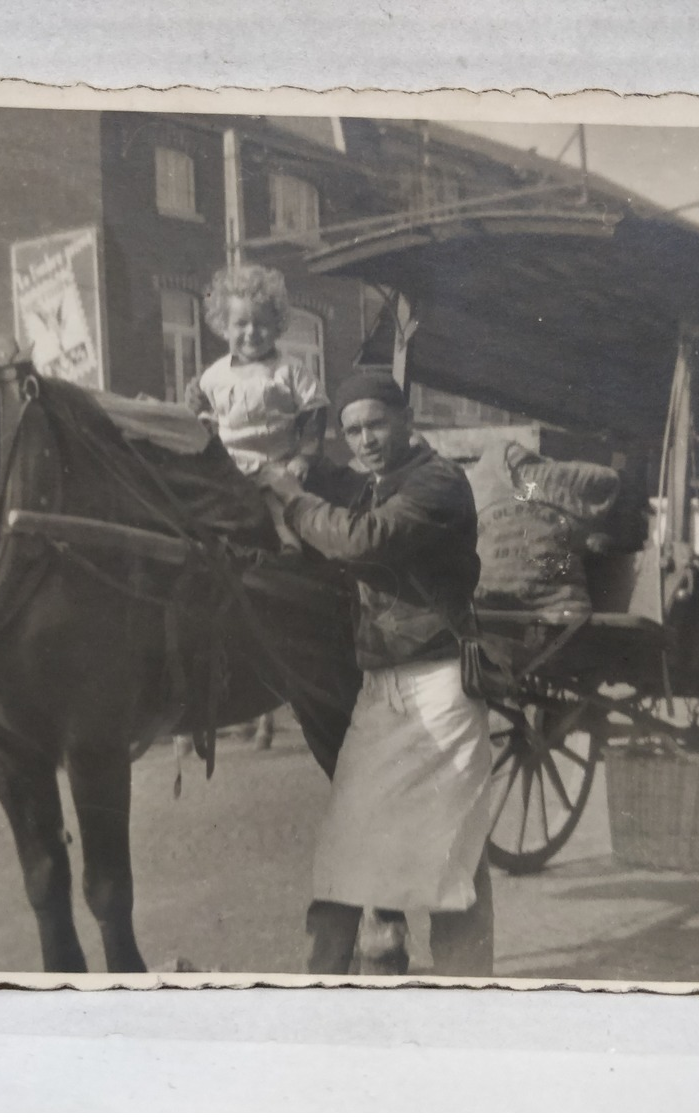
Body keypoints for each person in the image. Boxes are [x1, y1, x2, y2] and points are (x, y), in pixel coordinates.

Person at [258, 371, 498, 977]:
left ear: (407, 420)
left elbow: (361, 542)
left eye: (376, 425)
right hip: (381, 692)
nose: (365, 440)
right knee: (345, 852)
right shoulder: (377, 484)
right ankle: (330, 987)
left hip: (441, 689)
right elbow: (342, 496)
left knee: (449, 862)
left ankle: (468, 997)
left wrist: (291, 495)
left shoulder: (438, 484)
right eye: (353, 430)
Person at [186, 264, 329, 552]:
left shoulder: (289, 370)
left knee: (277, 500)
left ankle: (289, 545)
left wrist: (304, 457)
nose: (252, 332)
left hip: (276, 460)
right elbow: (197, 406)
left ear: (277, 326)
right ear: (224, 327)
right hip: (228, 463)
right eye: (241, 324)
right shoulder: (214, 374)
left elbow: (314, 411)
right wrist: (198, 412)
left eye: (262, 324)